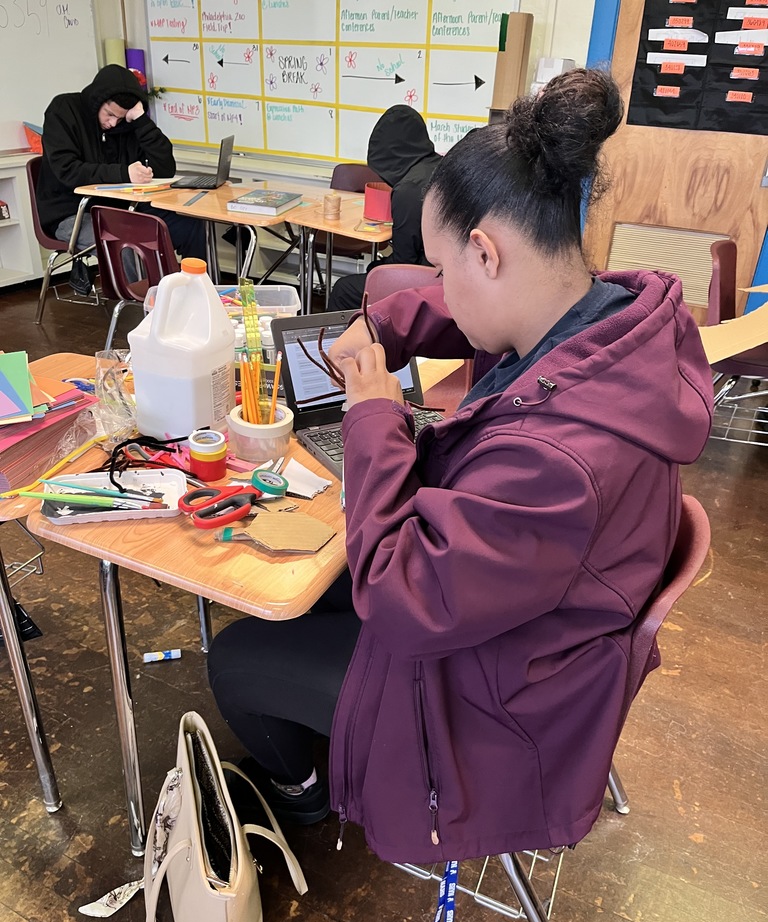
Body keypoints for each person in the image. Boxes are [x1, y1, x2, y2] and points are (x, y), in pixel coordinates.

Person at [207, 69, 713, 865]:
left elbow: (404, 593)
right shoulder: (604, 318)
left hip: (493, 705)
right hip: (523, 627)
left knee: (238, 655)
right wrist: (380, 321)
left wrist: (373, 412)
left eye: (443, 269)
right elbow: (470, 309)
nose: (440, 288)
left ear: (487, 251)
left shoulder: (561, 461)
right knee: (308, 583)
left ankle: (304, 802)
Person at [36, 64, 206, 279]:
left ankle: (201, 294)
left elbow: (164, 168)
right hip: (71, 213)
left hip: (124, 209)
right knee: (126, 245)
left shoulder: (125, 124)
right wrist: (124, 173)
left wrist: (141, 121)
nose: (112, 123)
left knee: (190, 225)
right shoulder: (64, 110)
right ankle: (144, 308)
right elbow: (68, 171)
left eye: (120, 118)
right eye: (109, 114)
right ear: (97, 100)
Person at [327, 104, 441, 311]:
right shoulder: (440, 167)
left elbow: (403, 260)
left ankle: (340, 343)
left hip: (427, 282)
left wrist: (374, 269)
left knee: (343, 290)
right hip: (445, 275)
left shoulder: (409, 190)